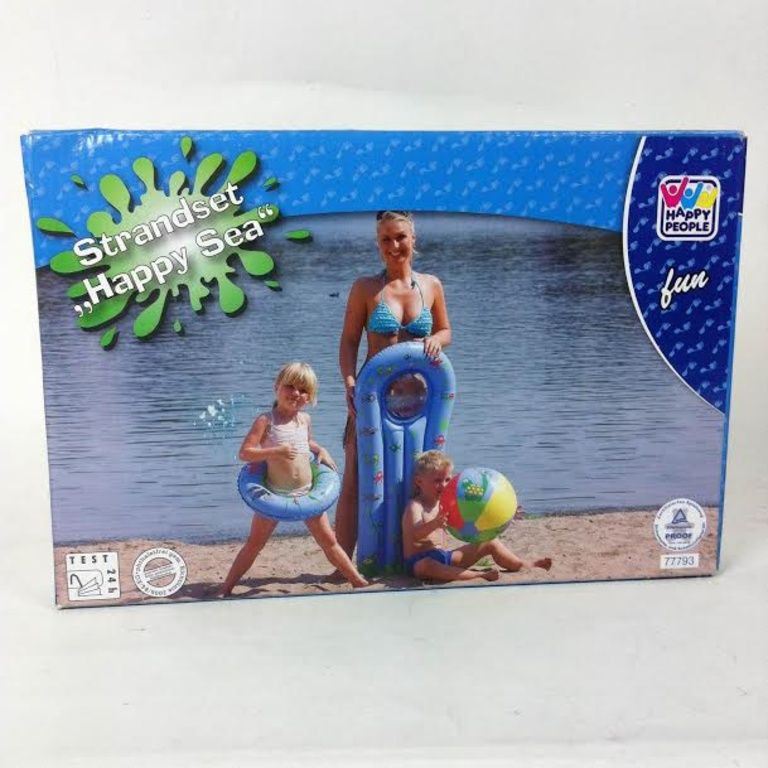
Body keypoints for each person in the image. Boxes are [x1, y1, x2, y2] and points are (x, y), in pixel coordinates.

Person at [336, 211, 452, 558]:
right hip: (373, 400)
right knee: (356, 480)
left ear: (413, 239)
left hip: (419, 404)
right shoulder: (366, 288)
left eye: (400, 237)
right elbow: (348, 342)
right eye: (385, 239)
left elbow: (446, 330)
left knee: (417, 479)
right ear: (378, 244)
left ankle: (414, 554)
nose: (394, 245)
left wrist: (436, 340)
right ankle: (343, 564)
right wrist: (349, 381)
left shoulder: (431, 285)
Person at [220, 362, 368, 596]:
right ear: (277, 387)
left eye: (304, 390)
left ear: (310, 397)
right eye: (290, 386)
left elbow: (307, 443)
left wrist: (321, 450)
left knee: (329, 542)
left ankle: (358, 581)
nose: (296, 393)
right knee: (254, 544)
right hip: (275, 494)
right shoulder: (266, 421)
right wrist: (275, 452)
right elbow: (245, 453)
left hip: (307, 494)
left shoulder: (304, 420)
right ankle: (226, 587)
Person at [402, 451, 553, 583]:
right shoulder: (416, 506)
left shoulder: (446, 504)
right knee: (427, 565)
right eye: (437, 481)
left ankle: (522, 564)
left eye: (447, 479)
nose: (444, 485)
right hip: (418, 562)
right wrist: (434, 523)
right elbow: (415, 534)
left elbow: (474, 515)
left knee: (490, 542)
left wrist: (505, 516)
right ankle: (477, 575)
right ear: (419, 481)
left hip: (446, 557)